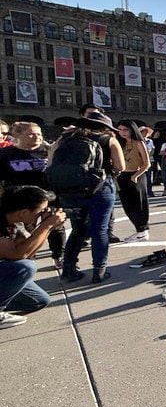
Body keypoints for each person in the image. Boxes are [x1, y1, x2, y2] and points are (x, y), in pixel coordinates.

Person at [50, 112, 125, 283]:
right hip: (100, 188)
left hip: (70, 190)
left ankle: (69, 268)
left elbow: (51, 164)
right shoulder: (108, 140)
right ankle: (99, 271)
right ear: (105, 127)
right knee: (100, 229)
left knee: (78, 229)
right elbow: (121, 166)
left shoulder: (64, 139)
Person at [0, 122, 66, 267]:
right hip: (21, 203)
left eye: (39, 134)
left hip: (48, 197)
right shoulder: (6, 154)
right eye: (31, 134)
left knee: (56, 227)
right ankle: (28, 258)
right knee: (25, 233)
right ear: (16, 135)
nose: (37, 137)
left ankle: (59, 256)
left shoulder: (48, 151)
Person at [1, 186, 67, 326]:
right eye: (41, 210)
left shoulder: (15, 221)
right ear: (24, 212)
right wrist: (46, 226)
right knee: (24, 268)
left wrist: (47, 226)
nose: (45, 212)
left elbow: (29, 252)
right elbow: (18, 254)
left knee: (39, 300)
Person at [115, 119, 152, 242]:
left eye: (125, 130)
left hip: (136, 175)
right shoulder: (121, 143)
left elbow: (147, 164)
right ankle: (139, 230)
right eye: (120, 130)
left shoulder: (138, 143)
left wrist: (135, 175)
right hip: (122, 176)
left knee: (139, 204)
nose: (122, 132)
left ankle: (142, 230)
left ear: (132, 130)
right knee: (127, 205)